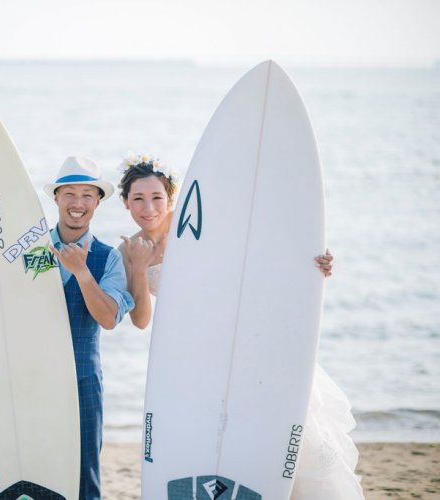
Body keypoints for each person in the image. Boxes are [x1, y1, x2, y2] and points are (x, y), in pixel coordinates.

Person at [117, 153, 364, 500]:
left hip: (245, 339)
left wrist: (312, 263)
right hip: (193, 356)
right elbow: (141, 321)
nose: (148, 208)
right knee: (225, 441)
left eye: (157, 197)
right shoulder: (126, 252)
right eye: (138, 198)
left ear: (173, 198)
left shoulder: (202, 225)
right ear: (125, 202)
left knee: (282, 436)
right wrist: (140, 270)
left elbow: (259, 252)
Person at [0, 156, 134, 500]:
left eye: (87, 195)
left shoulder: (107, 257)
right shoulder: (27, 246)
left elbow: (109, 318)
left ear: (98, 201)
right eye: (69, 193)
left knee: (83, 478)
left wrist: (83, 273)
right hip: (27, 379)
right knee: (33, 473)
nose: (78, 203)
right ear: (55, 198)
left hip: (81, 382)